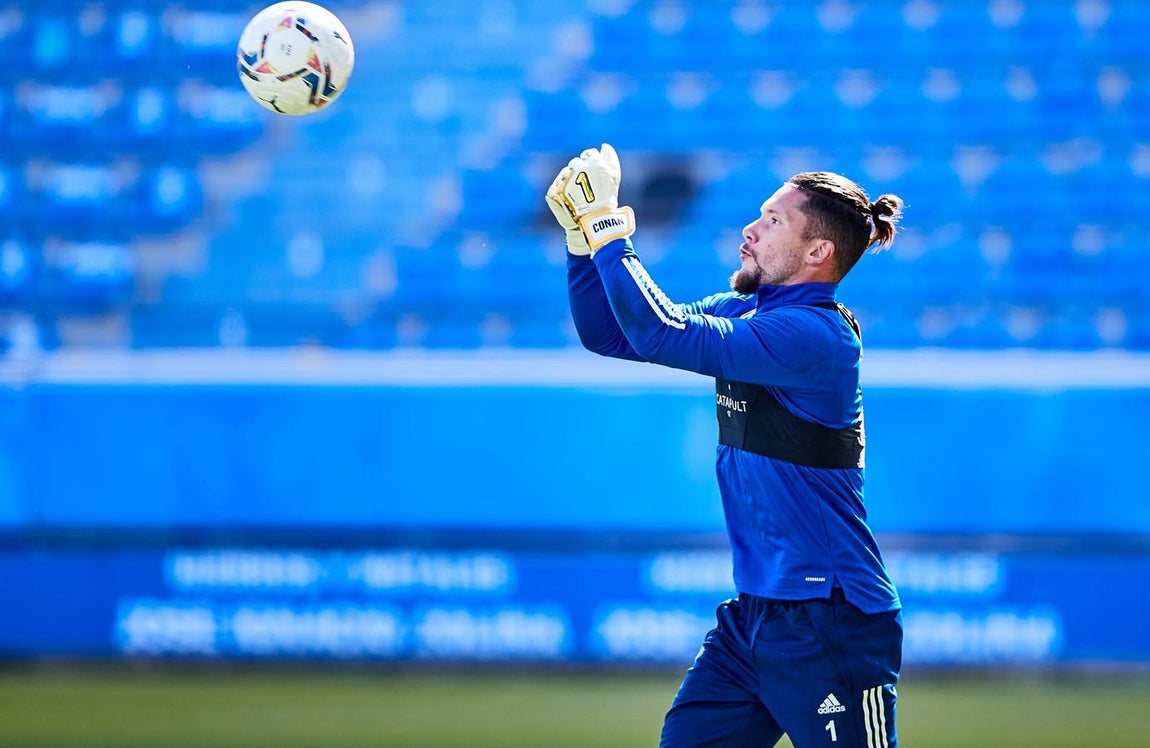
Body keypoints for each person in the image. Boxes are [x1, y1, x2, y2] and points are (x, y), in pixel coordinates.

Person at [545, 144, 905, 748]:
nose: (750, 229)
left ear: (819, 252)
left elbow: (659, 330)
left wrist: (608, 226)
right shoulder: (749, 311)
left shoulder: (817, 336)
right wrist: (584, 247)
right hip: (754, 617)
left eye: (773, 222)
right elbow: (613, 336)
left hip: (833, 620)